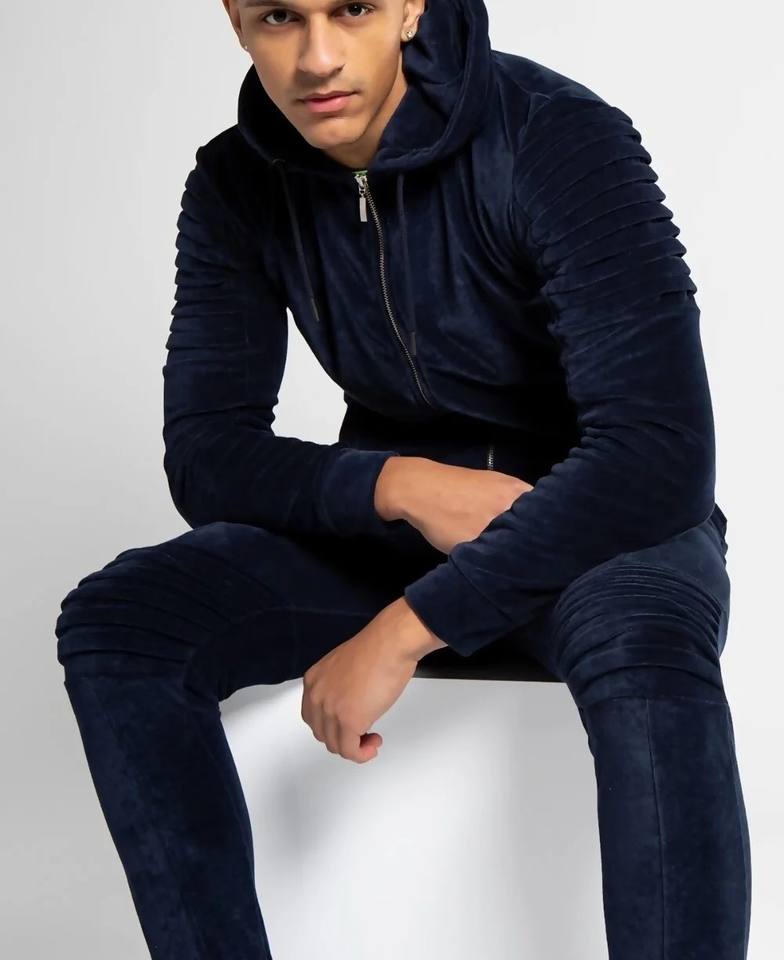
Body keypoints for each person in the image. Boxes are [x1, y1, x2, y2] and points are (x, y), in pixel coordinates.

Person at [55, 0, 752, 957]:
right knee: (121, 622)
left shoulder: (555, 136)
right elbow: (207, 453)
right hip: (395, 534)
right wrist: (401, 486)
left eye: (353, 8)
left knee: (646, 641)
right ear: (235, 21)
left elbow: (659, 450)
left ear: (413, 5)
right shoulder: (235, 182)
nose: (318, 57)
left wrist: (407, 629)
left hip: (594, 529)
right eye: (279, 17)